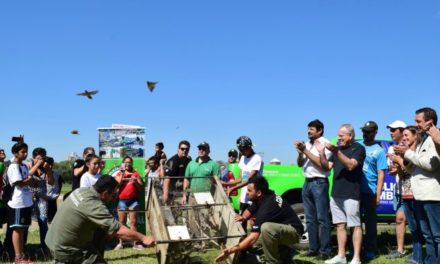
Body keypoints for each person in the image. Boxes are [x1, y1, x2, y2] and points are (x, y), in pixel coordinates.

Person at [45, 176, 155, 263]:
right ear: (105, 193)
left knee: (102, 229)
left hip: (53, 241)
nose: (114, 198)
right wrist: (143, 238)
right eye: (113, 195)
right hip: (65, 249)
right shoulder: (93, 205)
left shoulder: (82, 191)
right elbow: (119, 230)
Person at [214, 176, 304, 264]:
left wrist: (230, 250)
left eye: (249, 191)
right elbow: (249, 210)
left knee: (266, 228)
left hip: (294, 232)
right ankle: (285, 253)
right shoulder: (264, 195)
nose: (246, 193)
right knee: (251, 246)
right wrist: (243, 217)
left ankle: (273, 261)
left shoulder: (267, 206)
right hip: (281, 231)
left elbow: (253, 238)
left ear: (259, 193)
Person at [394, 107, 440, 264]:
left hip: (432, 196)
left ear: (430, 122)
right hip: (420, 195)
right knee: (427, 235)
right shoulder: (423, 141)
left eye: (418, 121)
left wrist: (408, 153)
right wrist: (404, 158)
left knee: (437, 235)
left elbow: (430, 165)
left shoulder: (435, 139)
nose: (415, 124)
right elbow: (413, 168)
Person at [319, 124, 366, 264]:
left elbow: (351, 165)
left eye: (341, 136)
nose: (339, 139)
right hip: (336, 193)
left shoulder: (358, 149)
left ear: (350, 136)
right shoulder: (337, 150)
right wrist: (321, 153)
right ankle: (341, 256)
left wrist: (336, 152)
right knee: (340, 225)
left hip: (351, 193)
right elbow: (326, 167)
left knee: (355, 226)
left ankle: (356, 258)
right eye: (338, 136)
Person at [294, 119, 332, 260]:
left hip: (319, 182)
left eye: (311, 129)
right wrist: (300, 152)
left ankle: (325, 250)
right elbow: (300, 164)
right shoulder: (308, 144)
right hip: (307, 183)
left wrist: (305, 150)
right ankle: (313, 249)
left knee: (322, 218)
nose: (308, 131)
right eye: (308, 128)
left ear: (320, 130)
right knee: (310, 219)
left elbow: (322, 164)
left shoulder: (325, 143)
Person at [388, 126, 424, 264]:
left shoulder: (418, 151)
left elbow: (415, 169)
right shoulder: (404, 153)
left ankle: (420, 256)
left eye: (407, 135)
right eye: (403, 136)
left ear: (415, 136)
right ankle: (417, 256)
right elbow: (404, 175)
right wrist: (397, 167)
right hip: (406, 193)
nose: (404, 138)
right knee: (414, 227)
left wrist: (399, 160)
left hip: (418, 194)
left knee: (421, 227)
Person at [7, 142, 44, 263]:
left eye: (26, 151)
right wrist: (30, 180)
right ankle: (18, 257)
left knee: (22, 229)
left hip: (26, 202)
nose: (25, 154)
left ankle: (21, 255)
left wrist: (31, 179)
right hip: (18, 202)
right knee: (17, 229)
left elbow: (28, 178)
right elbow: (20, 183)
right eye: (23, 151)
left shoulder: (23, 166)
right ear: (15, 153)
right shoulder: (13, 167)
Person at [359, 121, 387, 260]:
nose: (366, 134)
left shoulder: (380, 150)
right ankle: (355, 249)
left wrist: (378, 193)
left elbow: (381, 173)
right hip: (355, 190)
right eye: (364, 131)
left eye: (369, 131)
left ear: (376, 131)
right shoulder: (357, 145)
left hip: (370, 191)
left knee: (370, 223)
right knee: (355, 222)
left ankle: (370, 249)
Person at [384, 120, 410, 260]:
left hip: (413, 190)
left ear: (402, 130)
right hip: (399, 188)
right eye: (390, 130)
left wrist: (400, 161)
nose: (391, 132)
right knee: (399, 219)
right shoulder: (391, 149)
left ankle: (419, 249)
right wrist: (394, 168)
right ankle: (400, 250)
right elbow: (392, 170)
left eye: (393, 130)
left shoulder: (412, 146)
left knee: (415, 221)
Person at [228, 136, 263, 230]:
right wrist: (226, 184)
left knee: (253, 221)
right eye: (239, 149)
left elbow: (250, 179)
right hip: (244, 196)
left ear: (249, 147)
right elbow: (240, 178)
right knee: (241, 220)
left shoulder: (256, 158)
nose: (241, 152)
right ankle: (243, 240)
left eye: (242, 149)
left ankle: (255, 241)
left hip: (254, 195)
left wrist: (234, 188)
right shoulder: (243, 158)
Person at [114, 156, 145, 250]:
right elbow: (116, 186)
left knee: (133, 222)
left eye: (129, 162)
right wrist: (123, 174)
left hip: (133, 201)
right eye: (125, 162)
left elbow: (141, 188)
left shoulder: (135, 174)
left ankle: (135, 244)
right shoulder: (119, 174)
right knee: (121, 223)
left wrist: (136, 182)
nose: (127, 164)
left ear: (131, 163)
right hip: (121, 201)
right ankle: (120, 243)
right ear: (123, 163)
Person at [28, 147, 55, 252]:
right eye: (38, 158)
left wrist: (48, 169)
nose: (40, 160)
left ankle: (44, 246)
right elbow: (27, 174)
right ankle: (22, 245)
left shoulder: (46, 167)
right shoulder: (29, 165)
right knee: (25, 223)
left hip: (42, 199)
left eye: (42, 158)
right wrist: (37, 165)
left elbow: (51, 182)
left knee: (43, 222)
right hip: (28, 198)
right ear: (33, 158)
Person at [162, 140, 192, 205]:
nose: (184, 150)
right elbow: (166, 179)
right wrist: (165, 194)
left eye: (187, 149)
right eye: (182, 149)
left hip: (182, 190)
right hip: (172, 190)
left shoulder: (188, 161)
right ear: (178, 149)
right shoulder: (172, 161)